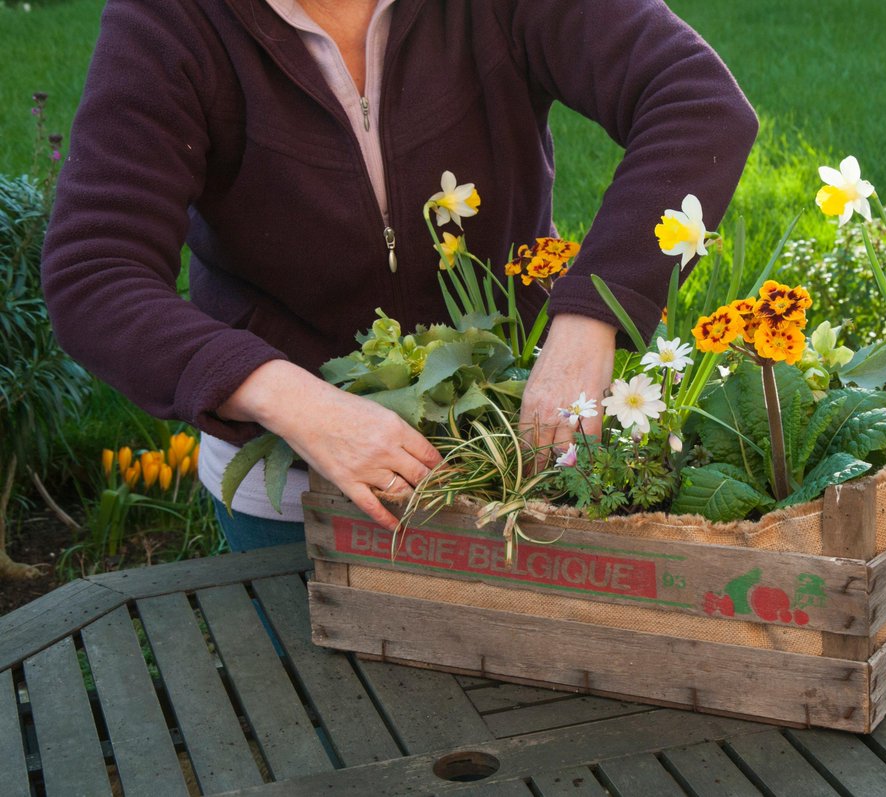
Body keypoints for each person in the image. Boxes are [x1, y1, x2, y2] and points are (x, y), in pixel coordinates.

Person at [42, 0, 757, 551]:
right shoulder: (169, 21)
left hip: (520, 463)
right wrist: (298, 402)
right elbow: (95, 269)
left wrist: (589, 321)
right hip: (300, 498)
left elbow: (695, 98)